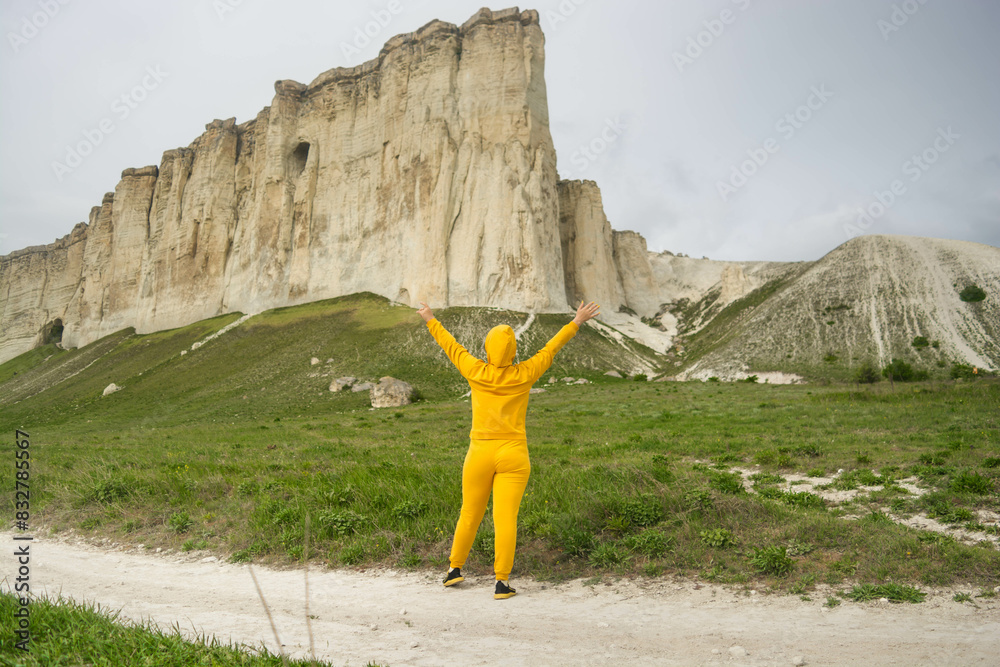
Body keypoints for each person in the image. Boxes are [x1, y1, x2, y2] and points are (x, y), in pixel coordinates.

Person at [417, 299, 601, 599]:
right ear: (514, 351)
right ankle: (501, 582)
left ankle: (454, 570)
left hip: (479, 453)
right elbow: (551, 348)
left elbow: (450, 345)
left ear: (487, 349)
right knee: (505, 519)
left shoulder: (475, 369)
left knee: (469, 513)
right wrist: (576, 321)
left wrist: (430, 318)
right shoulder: (525, 372)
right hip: (514, 454)